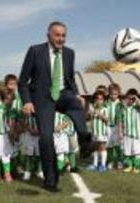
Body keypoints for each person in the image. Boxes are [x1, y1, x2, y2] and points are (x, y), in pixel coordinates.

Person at [18, 21, 91, 192]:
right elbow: (22, 82)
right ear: (48, 35)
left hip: (63, 94)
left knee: (76, 104)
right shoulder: (35, 51)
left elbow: (70, 79)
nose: (61, 38)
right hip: (42, 99)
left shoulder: (70, 53)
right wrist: (27, 101)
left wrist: (77, 94)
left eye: (63, 35)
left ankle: (85, 140)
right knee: (46, 138)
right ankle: (50, 181)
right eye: (57, 35)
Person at [118, 88, 140, 174]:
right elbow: (120, 121)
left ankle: (136, 167)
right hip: (127, 134)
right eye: (129, 98)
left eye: (132, 99)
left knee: (136, 152)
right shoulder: (123, 109)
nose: (130, 100)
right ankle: (129, 166)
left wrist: (136, 99)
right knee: (127, 152)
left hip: (136, 135)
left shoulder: (137, 107)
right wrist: (120, 131)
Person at [86, 91, 109, 172]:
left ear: (103, 100)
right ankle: (95, 164)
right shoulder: (93, 108)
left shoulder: (105, 109)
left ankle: (103, 165)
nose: (99, 101)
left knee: (102, 147)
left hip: (102, 132)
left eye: (101, 99)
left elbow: (107, 119)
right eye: (97, 99)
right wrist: (89, 114)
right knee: (95, 148)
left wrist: (99, 114)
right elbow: (88, 119)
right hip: (95, 132)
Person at [105, 83, 124, 170]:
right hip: (108, 127)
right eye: (111, 94)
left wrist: (121, 129)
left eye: (115, 94)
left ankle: (120, 161)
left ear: (118, 93)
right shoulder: (106, 103)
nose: (113, 96)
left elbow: (122, 117)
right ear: (109, 93)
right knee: (109, 145)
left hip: (117, 127)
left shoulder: (120, 104)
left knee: (118, 145)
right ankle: (110, 161)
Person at [22, 114, 43, 180]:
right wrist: (30, 129)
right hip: (29, 132)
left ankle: (39, 170)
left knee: (39, 152)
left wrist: (40, 130)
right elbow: (22, 120)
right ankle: (27, 171)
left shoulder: (42, 107)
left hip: (40, 132)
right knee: (28, 153)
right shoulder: (27, 105)